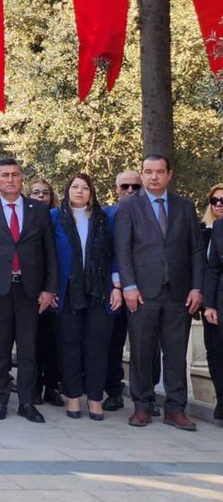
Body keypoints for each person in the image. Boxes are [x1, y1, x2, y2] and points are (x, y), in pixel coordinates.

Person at [114, 154, 204, 430]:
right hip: (142, 292)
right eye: (148, 171)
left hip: (179, 293)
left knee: (176, 353)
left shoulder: (185, 207)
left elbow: (196, 250)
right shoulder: (129, 207)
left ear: (169, 175)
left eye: (159, 172)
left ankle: (176, 409)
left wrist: (197, 287)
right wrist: (128, 285)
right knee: (142, 350)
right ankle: (141, 406)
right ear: (141, 174)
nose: (154, 176)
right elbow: (123, 248)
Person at [0, 158, 58, 423]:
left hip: (30, 290)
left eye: (15, 174)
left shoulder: (38, 211)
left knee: (29, 348)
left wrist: (50, 288)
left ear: (22, 179)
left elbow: (50, 253)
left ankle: (27, 403)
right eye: (5, 175)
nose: (10, 179)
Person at [50, 174, 120, 422]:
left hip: (99, 291)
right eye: (75, 187)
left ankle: (94, 398)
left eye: (85, 188)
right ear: (67, 190)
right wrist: (50, 289)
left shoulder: (104, 219)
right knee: (70, 345)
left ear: (92, 193)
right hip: (67, 291)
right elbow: (48, 256)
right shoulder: (55, 218)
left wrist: (117, 287)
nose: (80, 191)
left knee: (97, 347)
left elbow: (115, 254)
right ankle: (72, 396)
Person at [103, 169, 143, 412]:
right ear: (117, 189)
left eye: (135, 187)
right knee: (112, 343)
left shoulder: (153, 214)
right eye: (125, 186)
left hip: (146, 289)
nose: (130, 191)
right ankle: (114, 391)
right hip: (114, 291)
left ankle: (145, 396)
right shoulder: (107, 215)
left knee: (145, 346)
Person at [28, 178, 63, 407]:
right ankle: (33, 389)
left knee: (54, 343)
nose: (41, 196)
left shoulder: (60, 219)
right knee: (33, 343)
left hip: (56, 288)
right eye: (36, 192)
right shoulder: (26, 219)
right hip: (31, 290)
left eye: (45, 193)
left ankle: (52, 387)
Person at [201, 183, 223, 423]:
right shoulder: (211, 229)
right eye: (214, 200)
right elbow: (211, 269)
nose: (218, 205)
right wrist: (208, 304)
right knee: (215, 353)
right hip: (214, 303)